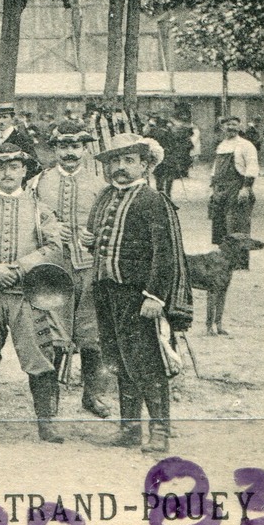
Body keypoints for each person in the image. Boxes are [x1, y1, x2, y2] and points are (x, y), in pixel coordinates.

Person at [86, 133, 191, 453]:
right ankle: (130, 428)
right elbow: (94, 238)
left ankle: (160, 430)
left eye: (129, 161)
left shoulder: (153, 201)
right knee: (118, 359)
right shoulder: (105, 196)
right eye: (115, 161)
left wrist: (155, 297)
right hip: (107, 292)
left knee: (146, 362)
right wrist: (87, 242)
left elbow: (166, 253)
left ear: (146, 166)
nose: (120, 167)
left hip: (138, 297)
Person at [0, 146, 66, 443]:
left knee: (38, 356)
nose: (7, 172)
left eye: (14, 166)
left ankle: (46, 422)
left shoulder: (39, 210)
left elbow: (54, 248)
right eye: (0, 166)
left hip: (27, 295)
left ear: (24, 170)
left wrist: (20, 268)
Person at [29, 121, 112, 419]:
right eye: (63, 146)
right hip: (52, 270)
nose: (70, 153)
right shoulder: (38, 182)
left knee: (92, 335)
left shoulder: (100, 184)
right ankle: (50, 399)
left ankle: (93, 395)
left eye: (75, 146)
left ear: (84, 149)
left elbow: (111, 225)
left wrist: (96, 235)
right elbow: (26, 221)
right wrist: (48, 228)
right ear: (55, 149)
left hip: (89, 269)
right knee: (52, 335)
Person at [208, 117, 259, 270]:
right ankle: (224, 260)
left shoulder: (245, 145)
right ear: (223, 127)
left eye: (234, 125)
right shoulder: (221, 145)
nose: (230, 127)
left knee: (237, 224)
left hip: (237, 187)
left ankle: (240, 263)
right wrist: (214, 188)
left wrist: (246, 188)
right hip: (220, 188)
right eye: (228, 125)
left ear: (239, 127)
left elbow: (252, 167)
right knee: (220, 223)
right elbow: (215, 168)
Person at [0, 104, 42, 198]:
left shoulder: (22, 139)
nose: (1, 121)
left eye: (5, 117)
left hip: (15, 192)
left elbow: (34, 166)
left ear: (12, 119)